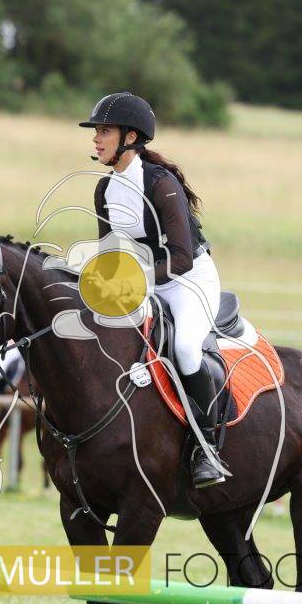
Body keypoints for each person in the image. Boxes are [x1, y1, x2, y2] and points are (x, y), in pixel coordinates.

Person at [80, 91, 227, 488]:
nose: (96, 138)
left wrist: (136, 281)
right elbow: (110, 255)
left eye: (104, 131)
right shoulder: (105, 190)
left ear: (130, 137)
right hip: (145, 283)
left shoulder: (160, 184)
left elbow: (181, 259)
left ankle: (206, 448)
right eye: (96, 132)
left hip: (189, 281)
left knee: (185, 348)